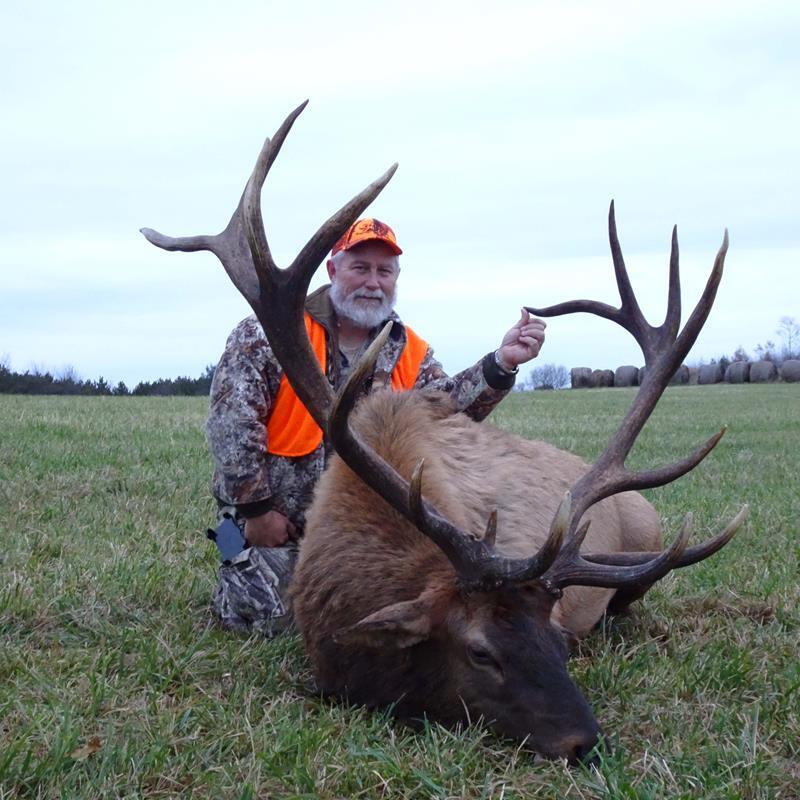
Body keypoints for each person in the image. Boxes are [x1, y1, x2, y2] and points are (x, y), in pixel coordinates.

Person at [206, 218, 546, 635]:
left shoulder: (408, 350)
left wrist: (502, 363)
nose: (373, 282)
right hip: (274, 524)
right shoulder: (266, 333)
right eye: (360, 268)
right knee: (276, 622)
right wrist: (256, 509)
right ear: (333, 270)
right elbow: (231, 425)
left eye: (384, 271)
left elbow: (448, 411)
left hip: (362, 530)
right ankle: (233, 565)